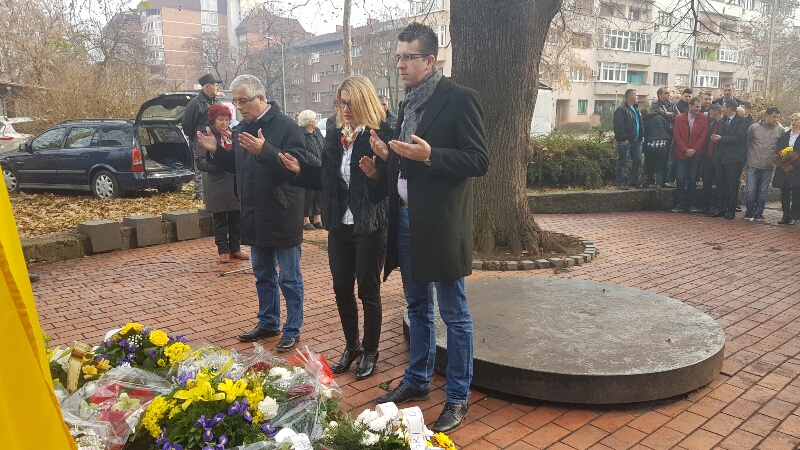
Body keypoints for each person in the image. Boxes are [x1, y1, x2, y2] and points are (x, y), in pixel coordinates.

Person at [367, 23, 489, 433]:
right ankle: (418, 379)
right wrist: (388, 158)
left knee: (454, 313)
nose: (400, 64)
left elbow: (478, 160)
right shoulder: (407, 103)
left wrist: (432, 154)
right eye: (398, 57)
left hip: (441, 223)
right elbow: (409, 163)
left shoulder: (460, 98)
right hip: (406, 218)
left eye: (408, 57)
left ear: (430, 60)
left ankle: (457, 397)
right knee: (417, 305)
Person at [281, 76, 393, 380]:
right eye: (341, 102)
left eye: (350, 102)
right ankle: (352, 346)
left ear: (364, 102)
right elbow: (327, 179)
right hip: (339, 223)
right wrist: (301, 170)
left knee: (368, 292)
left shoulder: (380, 134)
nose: (345, 108)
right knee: (342, 289)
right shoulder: (334, 133)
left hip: (369, 223)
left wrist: (376, 175)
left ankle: (371, 350)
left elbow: (391, 186)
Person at [196, 74, 308, 353]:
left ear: (260, 97)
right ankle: (268, 322)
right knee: (263, 274)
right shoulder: (242, 128)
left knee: (289, 278)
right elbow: (239, 166)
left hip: (281, 212)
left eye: (243, 101)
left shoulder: (286, 126)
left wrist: (265, 150)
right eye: (235, 102)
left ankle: (292, 328)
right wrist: (216, 152)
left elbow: (299, 168)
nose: (238, 107)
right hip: (253, 213)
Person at [195, 104, 248, 263]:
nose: (224, 123)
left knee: (236, 218)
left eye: (227, 119)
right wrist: (222, 163)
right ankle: (223, 249)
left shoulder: (232, 135)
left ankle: (235, 248)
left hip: (234, 182)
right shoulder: (206, 136)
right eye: (221, 119)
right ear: (213, 120)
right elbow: (200, 163)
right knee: (220, 219)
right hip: (216, 184)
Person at [183, 74, 222, 201]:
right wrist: (196, 139)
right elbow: (187, 125)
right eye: (215, 85)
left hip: (216, 141)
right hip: (200, 142)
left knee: (214, 166)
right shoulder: (195, 103)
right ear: (206, 87)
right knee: (200, 168)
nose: (217, 87)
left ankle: (212, 192)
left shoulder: (217, 102)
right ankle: (199, 195)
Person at [709, 99, 749, 219]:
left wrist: (722, 138)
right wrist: (716, 138)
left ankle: (731, 209)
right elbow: (721, 135)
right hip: (721, 158)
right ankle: (721, 207)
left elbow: (739, 138)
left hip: (734, 159)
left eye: (723, 107)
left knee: (732, 185)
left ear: (729, 108)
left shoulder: (742, 121)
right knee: (720, 184)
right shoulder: (723, 121)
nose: (722, 109)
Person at [743, 107, 783, 221]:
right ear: (767, 116)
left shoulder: (780, 130)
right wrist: (746, 160)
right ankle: (749, 212)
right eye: (774, 116)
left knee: (763, 191)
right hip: (753, 163)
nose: (776, 119)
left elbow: (780, 148)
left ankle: (759, 212)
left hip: (768, 165)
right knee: (751, 190)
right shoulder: (754, 128)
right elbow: (747, 143)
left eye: (778, 117)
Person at [671, 97, 708, 212]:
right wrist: (685, 149)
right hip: (681, 154)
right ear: (690, 106)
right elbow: (677, 136)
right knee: (680, 179)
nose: (699, 109)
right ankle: (679, 204)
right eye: (696, 107)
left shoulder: (703, 118)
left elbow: (703, 136)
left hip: (695, 154)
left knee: (692, 179)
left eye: (700, 107)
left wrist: (694, 150)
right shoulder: (679, 118)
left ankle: (692, 204)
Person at [297, 110, 324, 230]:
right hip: (308, 168)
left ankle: (317, 219)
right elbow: (304, 152)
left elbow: (323, 146)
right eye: (315, 119)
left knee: (319, 194)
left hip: (321, 167)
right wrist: (317, 162)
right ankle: (305, 220)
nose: (317, 121)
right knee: (308, 195)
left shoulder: (317, 132)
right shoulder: (300, 134)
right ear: (309, 122)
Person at [613, 89, 644, 190]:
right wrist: (623, 138)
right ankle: (621, 182)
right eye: (636, 95)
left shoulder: (635, 109)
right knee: (623, 162)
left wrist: (641, 136)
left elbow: (639, 123)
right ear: (630, 97)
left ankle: (634, 181)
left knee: (638, 160)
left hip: (637, 140)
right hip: (626, 141)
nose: (638, 97)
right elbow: (618, 126)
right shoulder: (621, 110)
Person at [773, 113, 800, 225]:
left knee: (796, 192)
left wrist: (793, 165)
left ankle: (793, 215)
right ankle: (785, 215)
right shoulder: (785, 135)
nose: (794, 122)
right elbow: (779, 150)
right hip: (784, 169)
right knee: (784, 191)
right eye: (792, 120)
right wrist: (783, 163)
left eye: (796, 120)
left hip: (797, 169)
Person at [651, 87, 679, 186]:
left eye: (669, 92)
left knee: (669, 158)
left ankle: (665, 180)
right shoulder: (655, 104)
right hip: (660, 135)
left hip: (671, 134)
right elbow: (660, 114)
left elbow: (678, 116)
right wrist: (669, 115)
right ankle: (657, 181)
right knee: (660, 160)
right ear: (660, 95)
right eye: (666, 93)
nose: (669, 95)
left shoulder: (672, 104)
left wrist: (670, 115)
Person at [640, 107, 672, 192]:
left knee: (649, 163)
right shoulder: (659, 117)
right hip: (662, 145)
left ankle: (649, 182)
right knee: (660, 165)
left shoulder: (643, 121)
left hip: (650, 145)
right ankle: (659, 184)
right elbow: (668, 129)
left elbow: (643, 133)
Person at [701, 104, 724, 213]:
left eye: (711, 113)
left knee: (719, 183)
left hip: (718, 157)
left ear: (716, 112)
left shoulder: (724, 124)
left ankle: (719, 206)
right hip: (708, 157)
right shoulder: (711, 124)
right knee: (707, 182)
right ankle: (706, 206)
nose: (710, 115)